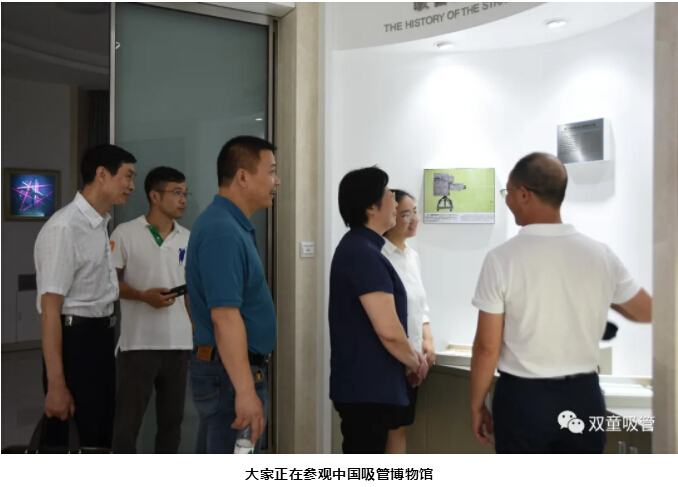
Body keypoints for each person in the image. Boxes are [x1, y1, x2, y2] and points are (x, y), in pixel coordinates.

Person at [469, 152, 653, 454]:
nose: (507, 200)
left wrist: (477, 404)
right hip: (583, 396)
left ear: (524, 194)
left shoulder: (501, 259)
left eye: (508, 192)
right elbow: (647, 310)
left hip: (523, 399)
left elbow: (487, 347)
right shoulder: (600, 255)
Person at [34, 144, 137, 448]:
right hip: (75, 342)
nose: (132, 186)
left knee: (98, 435)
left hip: (100, 340)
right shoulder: (65, 227)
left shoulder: (99, 223)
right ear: (102, 174)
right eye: (128, 176)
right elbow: (50, 310)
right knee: (71, 438)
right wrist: (56, 384)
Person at [185, 135, 279, 454]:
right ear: (242, 176)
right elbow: (224, 317)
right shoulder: (222, 230)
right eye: (271, 172)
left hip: (229, 372)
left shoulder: (231, 225)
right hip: (230, 376)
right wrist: (245, 390)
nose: (276, 181)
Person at [329, 167, 428, 454]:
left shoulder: (365, 248)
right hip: (367, 388)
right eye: (388, 195)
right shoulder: (362, 252)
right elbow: (389, 331)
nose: (395, 202)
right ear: (371, 207)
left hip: (371, 387)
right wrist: (416, 362)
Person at [110, 167, 193, 453]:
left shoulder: (188, 238)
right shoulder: (125, 233)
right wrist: (142, 296)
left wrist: (195, 333)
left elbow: (191, 291)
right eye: (177, 193)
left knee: (171, 426)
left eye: (185, 193)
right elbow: (108, 283)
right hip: (138, 346)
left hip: (179, 346)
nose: (183, 199)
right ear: (154, 196)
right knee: (126, 426)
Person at [382, 189, 435, 454]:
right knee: (389, 427)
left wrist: (428, 338)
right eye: (405, 214)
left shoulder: (412, 256)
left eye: (415, 212)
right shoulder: (381, 255)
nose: (414, 220)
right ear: (391, 217)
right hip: (392, 358)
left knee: (401, 425)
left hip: (414, 359)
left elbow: (419, 305)